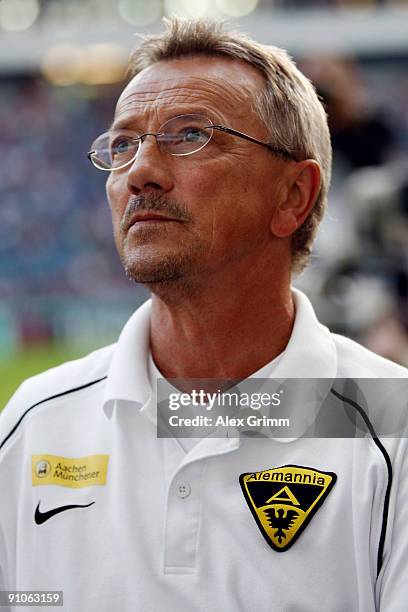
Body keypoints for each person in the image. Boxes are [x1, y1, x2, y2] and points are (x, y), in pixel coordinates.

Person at [0, 17, 407, 612]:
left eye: (189, 135)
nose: (138, 171)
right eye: (122, 144)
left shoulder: (394, 429)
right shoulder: (35, 423)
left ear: (293, 195)